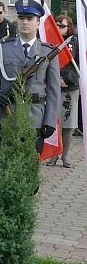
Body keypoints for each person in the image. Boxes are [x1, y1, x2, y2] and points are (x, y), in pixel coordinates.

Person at [0, 0, 61, 154]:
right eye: (21, 18)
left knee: (29, 169)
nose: (25, 22)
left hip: (35, 118)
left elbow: (54, 91)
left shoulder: (47, 52)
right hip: (8, 115)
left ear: (38, 23)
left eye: (30, 19)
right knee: (7, 167)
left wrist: (50, 120)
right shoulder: (4, 47)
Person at [46, 15, 80, 167]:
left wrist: (66, 80)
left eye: (62, 26)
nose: (59, 28)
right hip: (54, 89)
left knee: (68, 123)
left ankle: (65, 155)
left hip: (70, 88)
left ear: (69, 27)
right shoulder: (50, 42)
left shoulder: (76, 43)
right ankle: (54, 154)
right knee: (53, 122)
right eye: (57, 25)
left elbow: (78, 65)